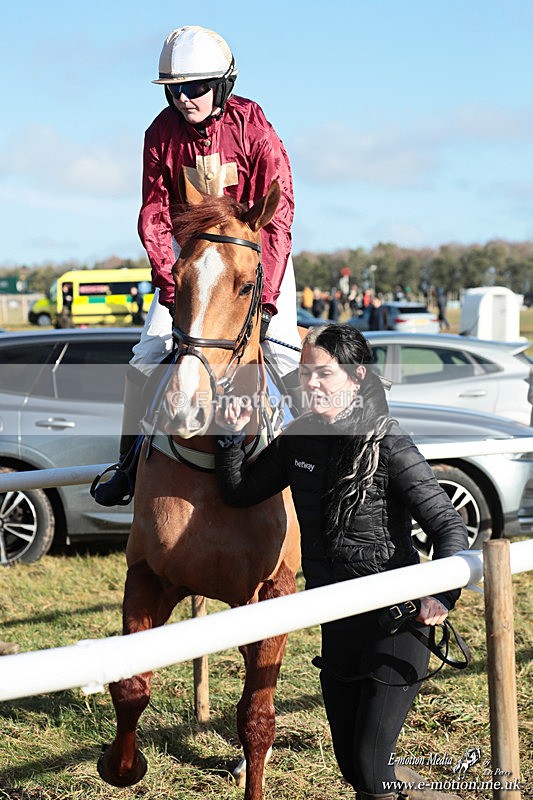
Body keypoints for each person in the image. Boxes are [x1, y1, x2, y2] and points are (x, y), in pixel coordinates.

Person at [214, 324, 468, 800]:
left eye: (324, 374)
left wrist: (441, 593)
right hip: (336, 622)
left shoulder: (388, 442)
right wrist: (229, 441)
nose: (311, 384)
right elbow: (241, 493)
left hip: (397, 624)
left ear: (356, 377)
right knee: (354, 769)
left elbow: (449, 527)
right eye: (305, 373)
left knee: (371, 771)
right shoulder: (298, 440)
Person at [92, 24, 300, 506]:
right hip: (190, 272)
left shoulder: (255, 125)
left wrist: (264, 299)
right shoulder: (159, 135)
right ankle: (126, 468)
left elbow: (279, 210)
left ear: (222, 85)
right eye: (175, 89)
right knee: (146, 354)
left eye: (196, 88)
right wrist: (171, 281)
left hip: (254, 263)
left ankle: (313, 473)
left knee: (287, 355)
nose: (185, 98)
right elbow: (154, 213)